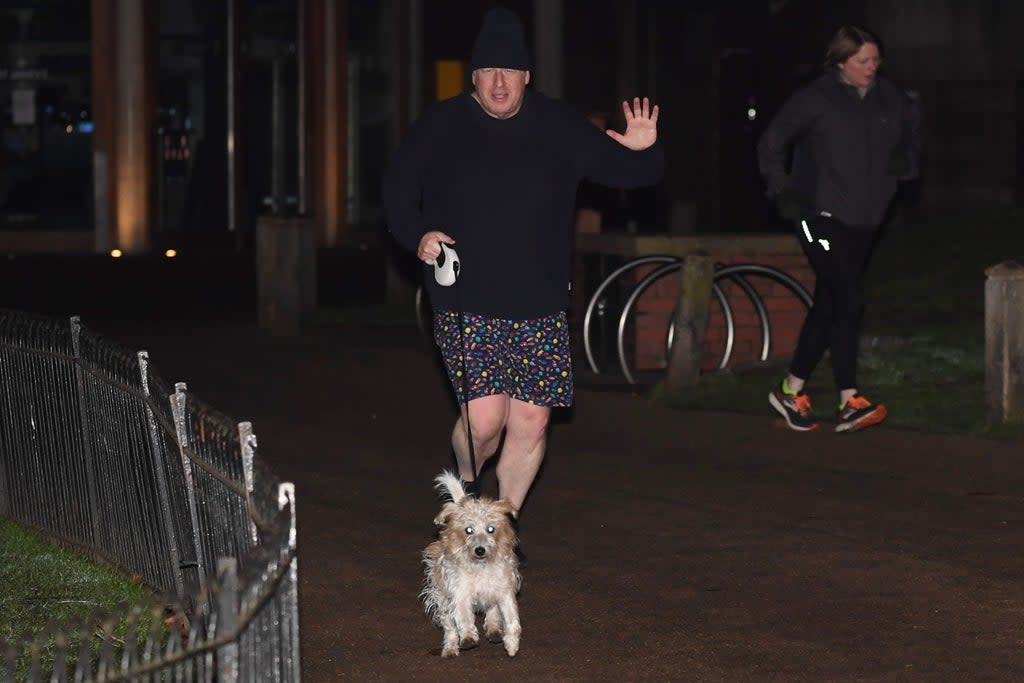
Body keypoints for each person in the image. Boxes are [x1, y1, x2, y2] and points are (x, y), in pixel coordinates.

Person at [382, 6, 664, 513]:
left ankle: (504, 524)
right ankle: (467, 494)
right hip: (466, 295)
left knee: (531, 421)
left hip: (539, 298)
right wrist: (417, 233)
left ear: (526, 76)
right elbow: (398, 191)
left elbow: (628, 172)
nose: (498, 83)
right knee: (485, 422)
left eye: (509, 71)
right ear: (474, 76)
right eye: (488, 71)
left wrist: (645, 150)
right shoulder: (441, 124)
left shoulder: (558, 125)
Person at [757, 25, 920, 433]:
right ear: (841, 61)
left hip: (865, 218)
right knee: (849, 296)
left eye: (876, 61)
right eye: (862, 61)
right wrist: (783, 192)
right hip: (817, 215)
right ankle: (849, 398)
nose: (871, 68)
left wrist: (906, 162)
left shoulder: (890, 98)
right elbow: (771, 143)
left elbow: (912, 141)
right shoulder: (817, 98)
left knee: (832, 299)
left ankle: (791, 390)